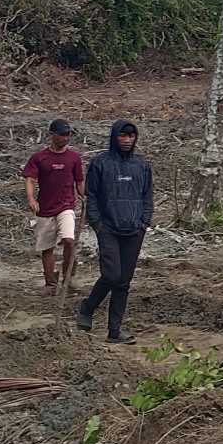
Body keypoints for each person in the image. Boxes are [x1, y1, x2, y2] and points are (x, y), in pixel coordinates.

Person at [77, 120, 153, 341]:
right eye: (123, 135)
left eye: (131, 136)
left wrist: (144, 222)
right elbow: (91, 196)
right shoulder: (100, 163)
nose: (127, 140)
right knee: (111, 275)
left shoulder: (141, 165)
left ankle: (114, 331)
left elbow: (147, 196)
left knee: (123, 282)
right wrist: (98, 225)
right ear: (114, 137)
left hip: (134, 230)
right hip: (108, 228)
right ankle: (87, 307)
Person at [21, 119, 83, 297]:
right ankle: (50, 283)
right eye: (62, 134)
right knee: (47, 247)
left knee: (69, 240)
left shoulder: (73, 158)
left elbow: (79, 181)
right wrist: (31, 198)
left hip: (66, 206)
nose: (65, 138)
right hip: (45, 208)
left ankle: (68, 278)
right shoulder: (39, 158)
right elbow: (30, 179)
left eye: (68, 134)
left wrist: (85, 196)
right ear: (52, 135)